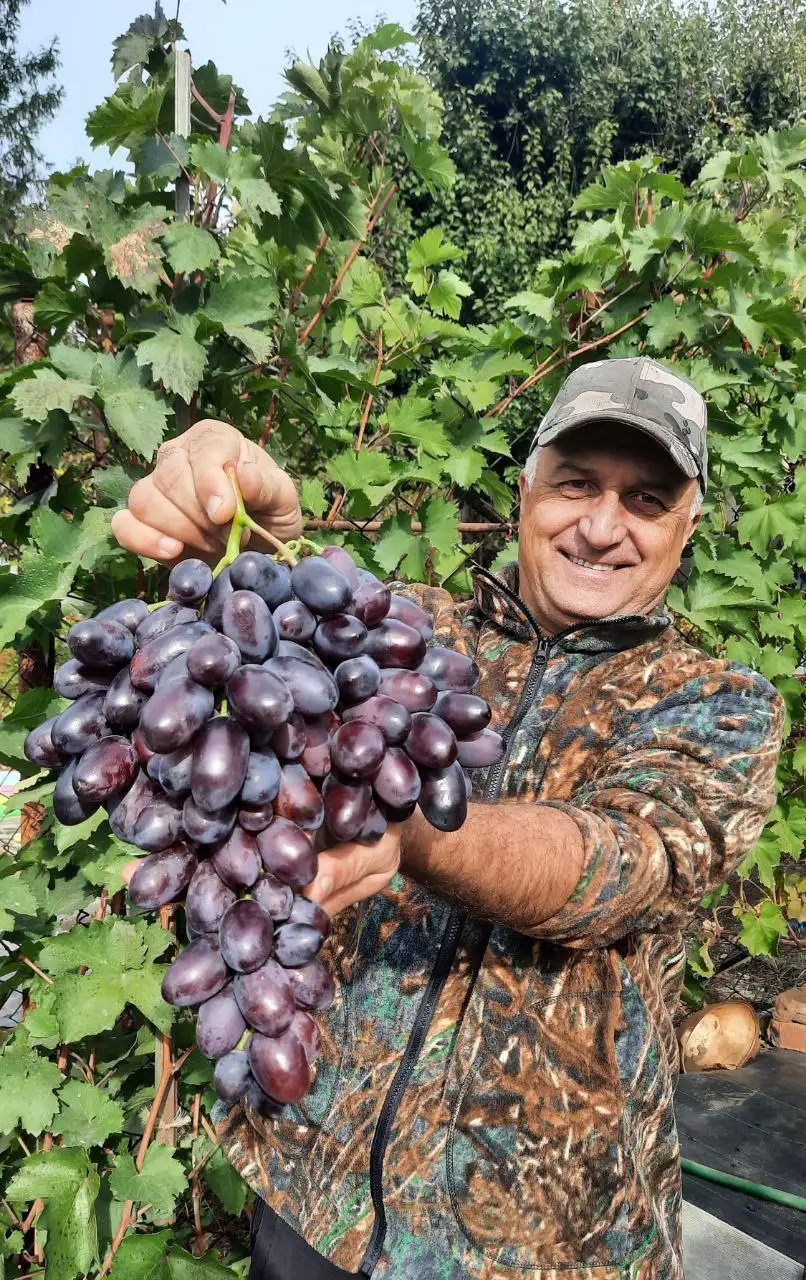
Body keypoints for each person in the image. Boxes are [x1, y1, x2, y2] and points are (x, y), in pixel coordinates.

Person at [113, 357, 784, 1280]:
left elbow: (625, 865)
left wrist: (407, 827)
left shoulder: (721, 703)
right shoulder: (406, 628)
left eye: (646, 500)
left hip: (544, 1242)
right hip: (316, 1193)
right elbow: (274, 672)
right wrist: (255, 550)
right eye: (576, 483)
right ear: (525, 489)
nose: (600, 526)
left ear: (689, 525)